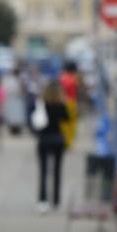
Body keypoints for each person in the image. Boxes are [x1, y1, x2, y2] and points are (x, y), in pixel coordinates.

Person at [32, 81, 71, 213]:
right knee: (57, 171)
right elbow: (67, 118)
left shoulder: (42, 104)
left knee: (43, 171)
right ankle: (55, 199)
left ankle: (42, 199)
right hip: (57, 139)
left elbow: (34, 120)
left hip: (44, 139)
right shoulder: (61, 105)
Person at [58, 61, 80, 147]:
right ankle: (67, 142)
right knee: (70, 124)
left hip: (62, 101)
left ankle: (64, 141)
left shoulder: (61, 77)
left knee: (63, 124)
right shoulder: (72, 78)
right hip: (70, 102)